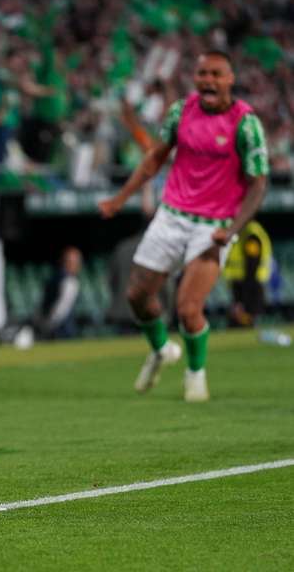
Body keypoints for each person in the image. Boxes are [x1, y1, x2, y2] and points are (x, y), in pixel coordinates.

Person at [99, 51, 269, 402]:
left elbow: (258, 184)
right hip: (172, 215)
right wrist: (120, 198)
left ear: (230, 79)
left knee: (188, 308)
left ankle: (195, 374)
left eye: (216, 74)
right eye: (202, 73)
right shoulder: (181, 111)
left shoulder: (245, 123)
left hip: (214, 226)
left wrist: (232, 229)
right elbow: (155, 158)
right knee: (136, 296)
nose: (208, 80)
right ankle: (160, 349)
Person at [224, 220, 272, 327]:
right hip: (243, 284)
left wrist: (243, 297)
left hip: (249, 285)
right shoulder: (243, 230)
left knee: (245, 322)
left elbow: (252, 263)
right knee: (240, 321)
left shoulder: (251, 232)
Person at [36, 247, 83, 340]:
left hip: (51, 326)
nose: (76, 265)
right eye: (74, 262)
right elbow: (61, 308)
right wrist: (48, 324)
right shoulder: (69, 281)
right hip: (61, 330)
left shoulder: (53, 278)